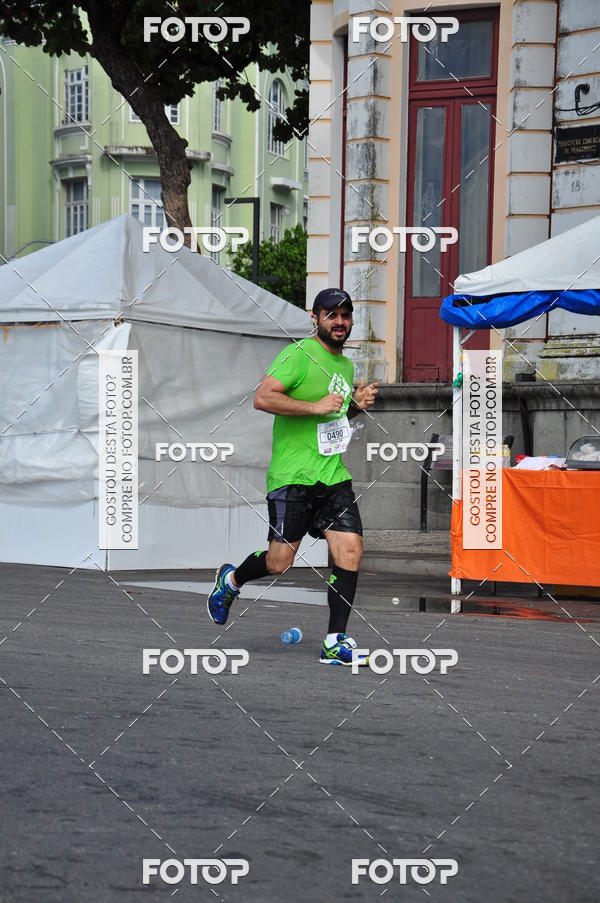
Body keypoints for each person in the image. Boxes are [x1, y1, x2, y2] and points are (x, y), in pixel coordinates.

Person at [207, 288, 378, 666]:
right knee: (279, 561)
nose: (340, 322)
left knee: (349, 549)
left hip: (332, 476)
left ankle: (335, 640)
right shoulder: (299, 355)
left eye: (345, 315)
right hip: (293, 476)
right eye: (331, 315)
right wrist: (315, 405)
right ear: (315, 318)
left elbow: (329, 418)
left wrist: (354, 406)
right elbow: (263, 397)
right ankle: (231, 581)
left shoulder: (346, 367)